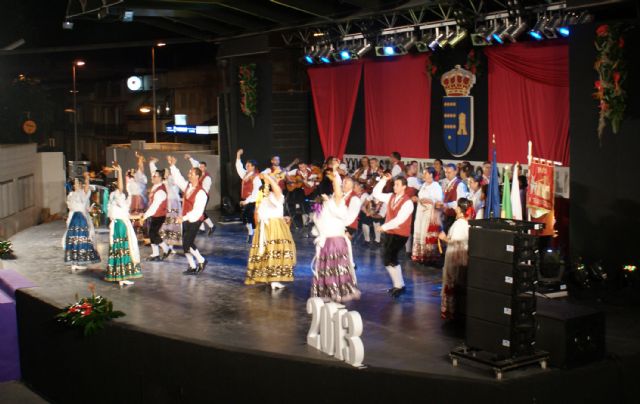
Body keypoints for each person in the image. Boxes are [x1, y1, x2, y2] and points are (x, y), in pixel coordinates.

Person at [310, 163, 360, 302]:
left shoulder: (339, 202)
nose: (339, 186)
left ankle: (338, 291)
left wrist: (335, 172)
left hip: (337, 238)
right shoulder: (329, 203)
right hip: (327, 240)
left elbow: (347, 213)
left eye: (344, 183)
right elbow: (320, 222)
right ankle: (330, 291)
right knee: (328, 267)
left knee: (337, 267)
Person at [245, 172, 296, 289]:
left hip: (267, 225)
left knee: (269, 251)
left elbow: (260, 212)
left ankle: (270, 278)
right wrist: (269, 179)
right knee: (275, 250)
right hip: (273, 226)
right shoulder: (270, 195)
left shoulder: (269, 196)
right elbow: (259, 211)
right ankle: (273, 279)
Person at [372, 173, 415, 298]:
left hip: (400, 234)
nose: (394, 187)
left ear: (404, 187)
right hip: (390, 232)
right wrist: (383, 180)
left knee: (389, 257)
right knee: (388, 259)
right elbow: (376, 193)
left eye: (397, 185)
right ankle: (398, 285)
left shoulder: (408, 203)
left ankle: (399, 285)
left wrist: (384, 227)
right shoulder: (391, 196)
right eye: (394, 184)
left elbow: (400, 220)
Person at [169, 156, 208, 275]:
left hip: (195, 220)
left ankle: (201, 260)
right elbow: (178, 178)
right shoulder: (187, 186)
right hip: (185, 219)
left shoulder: (201, 192)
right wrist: (172, 166)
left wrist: (184, 218)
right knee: (186, 244)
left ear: (197, 176)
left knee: (187, 243)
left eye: (191, 173)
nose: (188, 174)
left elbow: (197, 211)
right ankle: (192, 265)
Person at [105, 163, 142, 286]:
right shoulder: (116, 196)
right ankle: (122, 276)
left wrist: (138, 216)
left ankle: (120, 275)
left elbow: (124, 214)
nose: (120, 188)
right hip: (120, 226)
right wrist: (120, 172)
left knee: (119, 249)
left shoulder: (114, 200)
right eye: (117, 186)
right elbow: (120, 188)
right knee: (124, 248)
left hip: (118, 224)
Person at [438, 197, 473, 320]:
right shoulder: (464, 223)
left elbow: (455, 242)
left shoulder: (460, 224)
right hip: (458, 256)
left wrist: (443, 238)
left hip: (455, 257)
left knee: (452, 281)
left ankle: (453, 311)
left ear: (459, 209)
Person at [63, 172, 100, 271]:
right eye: (74, 183)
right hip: (74, 218)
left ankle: (80, 260)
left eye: (77, 183)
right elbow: (70, 207)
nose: (75, 185)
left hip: (81, 218)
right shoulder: (71, 195)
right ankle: (74, 262)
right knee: (74, 240)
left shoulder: (83, 193)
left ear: (80, 185)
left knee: (82, 239)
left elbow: (87, 188)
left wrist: (87, 178)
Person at [412, 167, 443, 265]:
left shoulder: (436, 186)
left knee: (426, 233)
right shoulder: (424, 185)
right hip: (421, 211)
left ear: (431, 175)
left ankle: (429, 257)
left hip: (430, 213)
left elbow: (439, 201)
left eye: (425, 173)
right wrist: (417, 199)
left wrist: (429, 201)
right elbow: (421, 197)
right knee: (420, 231)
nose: (423, 175)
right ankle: (420, 256)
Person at [140, 167, 172, 261]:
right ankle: (156, 254)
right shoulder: (156, 187)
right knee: (152, 233)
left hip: (159, 215)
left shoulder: (161, 191)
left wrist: (144, 216)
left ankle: (166, 249)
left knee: (153, 234)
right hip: (155, 215)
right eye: (153, 175)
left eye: (155, 176)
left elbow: (154, 207)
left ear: (160, 178)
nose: (153, 177)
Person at [150, 157, 180, 249]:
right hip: (166, 205)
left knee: (171, 225)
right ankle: (163, 244)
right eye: (165, 172)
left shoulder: (172, 180)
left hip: (173, 204)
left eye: (168, 172)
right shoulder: (162, 182)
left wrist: (172, 165)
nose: (167, 173)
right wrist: (152, 163)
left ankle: (170, 246)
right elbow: (154, 172)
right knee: (165, 226)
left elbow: (176, 185)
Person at [185, 154, 216, 235]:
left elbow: (205, 189)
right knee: (198, 210)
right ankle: (202, 229)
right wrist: (190, 158)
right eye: (200, 166)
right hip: (197, 195)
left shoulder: (207, 177)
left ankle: (211, 226)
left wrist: (198, 193)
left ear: (205, 168)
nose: (201, 168)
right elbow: (194, 163)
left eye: (202, 167)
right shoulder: (198, 173)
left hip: (203, 195)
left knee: (201, 212)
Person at [236, 149, 262, 243]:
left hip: (253, 201)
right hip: (246, 200)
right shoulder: (246, 174)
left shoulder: (256, 177)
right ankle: (251, 233)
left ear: (253, 167)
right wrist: (238, 155)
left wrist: (246, 201)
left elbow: (256, 193)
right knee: (245, 218)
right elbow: (239, 168)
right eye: (246, 165)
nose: (246, 166)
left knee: (252, 217)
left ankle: (255, 235)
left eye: (248, 165)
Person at [438, 163, 468, 232]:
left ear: (455, 171)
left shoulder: (459, 184)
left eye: (449, 172)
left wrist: (447, 204)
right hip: (446, 215)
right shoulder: (448, 183)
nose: (447, 174)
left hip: (454, 216)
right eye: (445, 172)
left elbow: (460, 202)